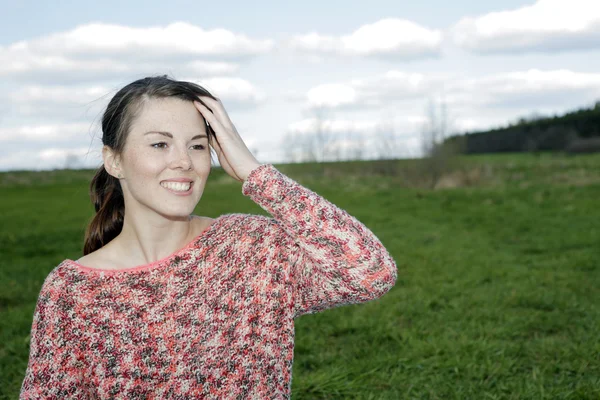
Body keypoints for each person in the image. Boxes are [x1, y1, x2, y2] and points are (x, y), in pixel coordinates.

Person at [20, 75, 398, 399]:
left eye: (197, 145)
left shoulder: (249, 247)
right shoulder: (72, 293)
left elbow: (369, 272)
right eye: (159, 144)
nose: (184, 161)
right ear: (114, 159)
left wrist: (254, 173)